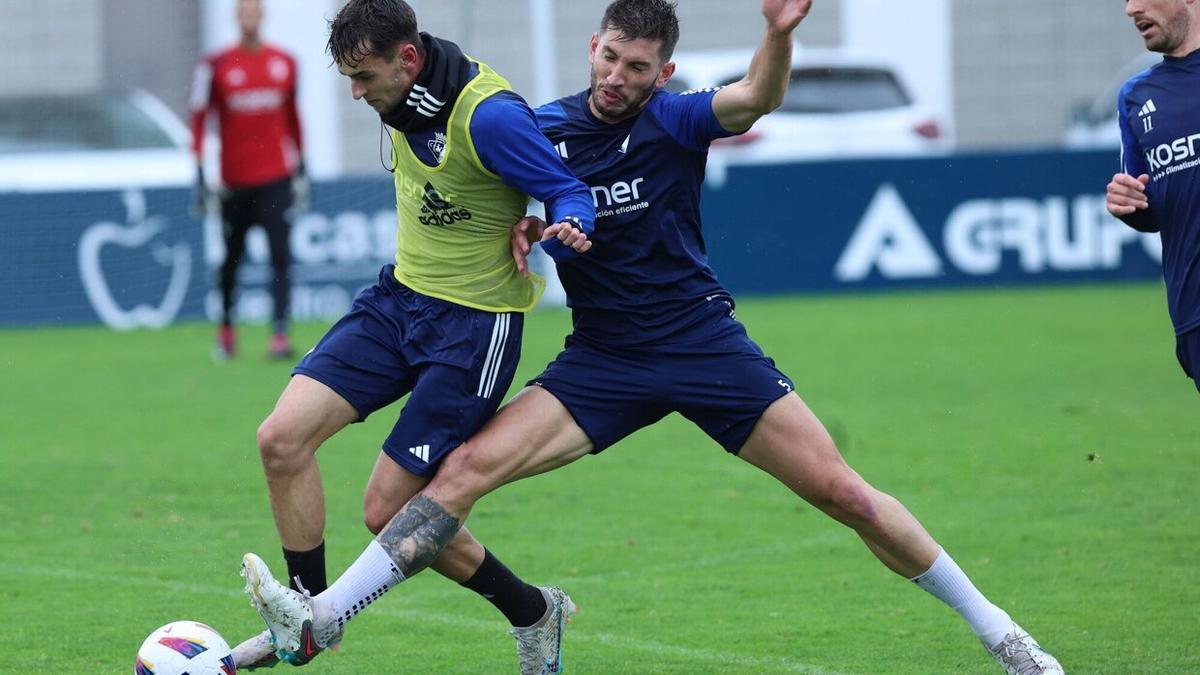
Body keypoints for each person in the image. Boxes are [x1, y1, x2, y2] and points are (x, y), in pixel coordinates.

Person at [242, 1, 1064, 673]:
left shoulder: (674, 121)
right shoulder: (545, 125)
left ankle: (1001, 631)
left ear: (661, 73)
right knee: (455, 477)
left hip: (702, 343)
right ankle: (324, 619)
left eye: (638, 68)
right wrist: (531, 223)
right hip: (602, 361)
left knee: (842, 492)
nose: (617, 78)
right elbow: (494, 182)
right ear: (591, 46)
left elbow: (756, 100)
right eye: (609, 58)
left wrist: (777, 36)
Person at [230, 0, 596, 670]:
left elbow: (567, 188)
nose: (356, 93)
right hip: (398, 302)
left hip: (472, 330)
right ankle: (308, 617)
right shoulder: (401, 97)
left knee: (388, 511)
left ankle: (533, 611)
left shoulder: (486, 115)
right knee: (280, 439)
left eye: (364, 77)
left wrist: (564, 223)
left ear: (408, 58)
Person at [190, 0, 308, 360]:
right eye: (244, 11)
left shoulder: (284, 62)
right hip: (235, 182)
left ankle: (280, 334)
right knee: (231, 259)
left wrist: (302, 168)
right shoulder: (215, 66)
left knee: (280, 257)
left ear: (262, 16)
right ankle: (226, 329)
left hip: (276, 178)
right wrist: (200, 173)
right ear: (236, 18)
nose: (249, 17)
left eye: (254, 10)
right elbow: (198, 119)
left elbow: (293, 119)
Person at [1106, 0, 1200, 393]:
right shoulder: (1136, 96)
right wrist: (1130, 205)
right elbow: (1153, 208)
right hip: (1193, 312)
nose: (1131, 9)